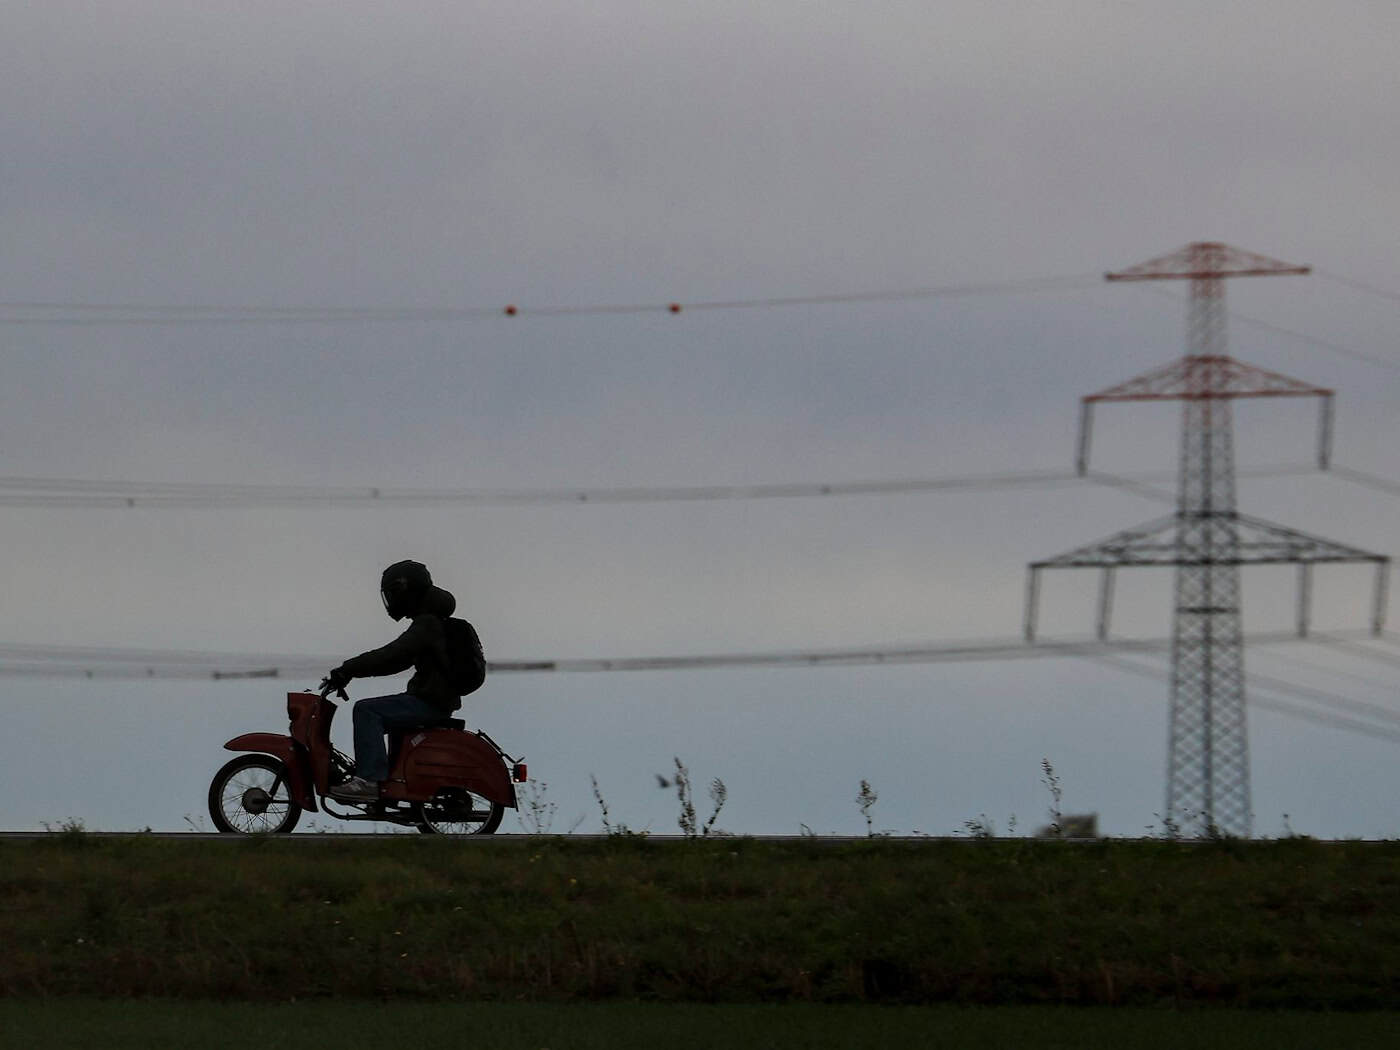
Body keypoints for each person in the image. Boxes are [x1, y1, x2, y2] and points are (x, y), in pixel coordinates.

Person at [322, 560, 467, 801]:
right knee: (377, 710)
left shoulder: (427, 624)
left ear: (405, 591)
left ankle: (369, 781)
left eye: (392, 593)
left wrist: (348, 669)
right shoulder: (432, 622)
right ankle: (386, 779)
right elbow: (396, 662)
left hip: (429, 702)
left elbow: (394, 654)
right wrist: (352, 672)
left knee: (367, 711)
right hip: (433, 699)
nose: (390, 600)